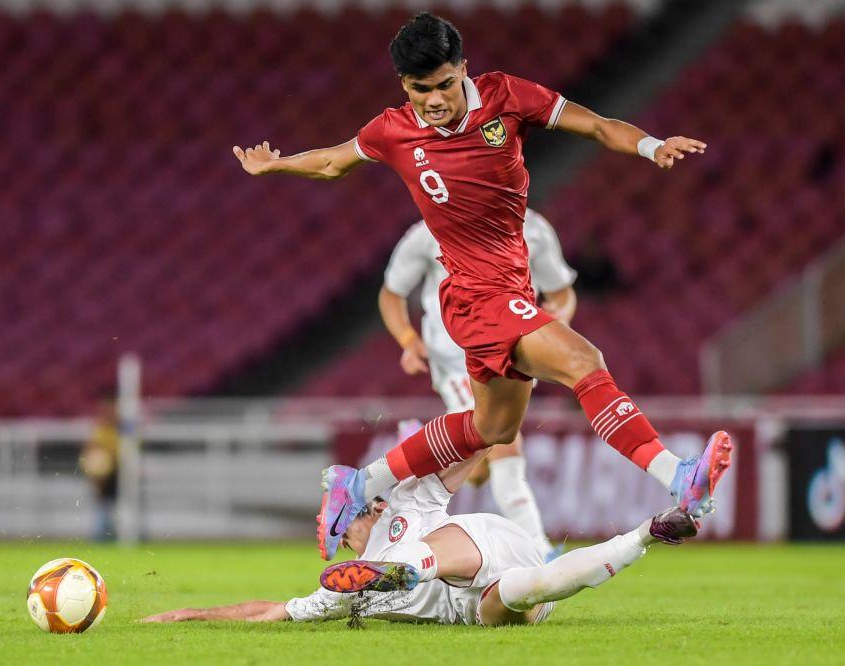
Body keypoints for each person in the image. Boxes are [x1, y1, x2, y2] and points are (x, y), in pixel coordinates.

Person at [232, 13, 732, 561]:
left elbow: (594, 125)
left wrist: (650, 146)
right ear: (404, 86)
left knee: (492, 427)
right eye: (422, 90)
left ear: (463, 70)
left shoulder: (507, 97)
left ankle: (361, 484)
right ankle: (675, 476)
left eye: (445, 84)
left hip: (507, 287)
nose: (436, 99)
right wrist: (276, 166)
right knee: (585, 360)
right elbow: (332, 163)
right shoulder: (393, 129)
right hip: (478, 297)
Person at [141, 451, 700, 627]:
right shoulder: (340, 587)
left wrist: (493, 419)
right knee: (528, 593)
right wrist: (189, 615)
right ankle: (650, 533)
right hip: (481, 602)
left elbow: (472, 445)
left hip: (473, 544)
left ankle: (412, 567)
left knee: (434, 555)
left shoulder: (404, 501)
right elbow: (270, 613)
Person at [379, 208, 577, 557]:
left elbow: (561, 292)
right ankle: (540, 548)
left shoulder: (534, 229)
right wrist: (408, 340)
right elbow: (391, 292)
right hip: (456, 359)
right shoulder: (430, 230)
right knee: (505, 442)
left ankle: (422, 445)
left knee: (481, 464)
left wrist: (559, 316)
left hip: (513, 352)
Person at [79, 397, 120, 542]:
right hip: (103, 474)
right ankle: (101, 536)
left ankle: (117, 534)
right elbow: (91, 452)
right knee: (102, 505)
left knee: (117, 505)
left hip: (119, 472)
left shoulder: (121, 429)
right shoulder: (99, 430)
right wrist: (94, 471)